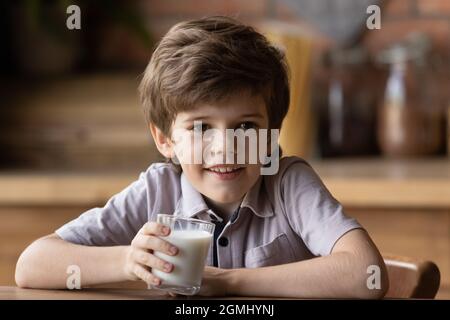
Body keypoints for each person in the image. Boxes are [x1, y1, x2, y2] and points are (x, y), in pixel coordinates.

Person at [15, 16, 388, 298]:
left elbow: (367, 274)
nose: (224, 147)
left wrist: (227, 282)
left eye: (245, 127)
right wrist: (126, 260)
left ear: (272, 134)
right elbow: (32, 265)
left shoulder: (288, 185)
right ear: (165, 140)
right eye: (200, 128)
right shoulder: (156, 190)